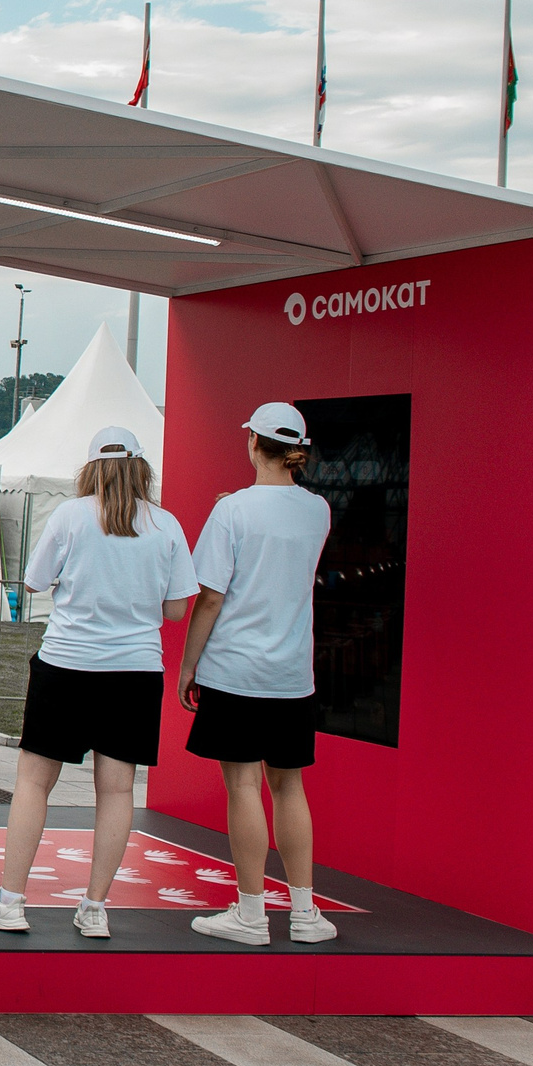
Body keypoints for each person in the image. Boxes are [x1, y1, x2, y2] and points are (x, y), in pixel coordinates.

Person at [0, 427, 197, 938]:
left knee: (33, 783)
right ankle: (94, 908)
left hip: (66, 664)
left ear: (91, 469)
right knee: (117, 790)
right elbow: (177, 610)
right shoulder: (167, 524)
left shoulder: (70, 515)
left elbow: (34, 582)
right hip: (135, 671)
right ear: (141, 468)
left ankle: (10, 900)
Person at [180, 403, 337, 947]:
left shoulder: (232, 511)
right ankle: (305, 913)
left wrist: (188, 665)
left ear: (252, 441)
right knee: (289, 787)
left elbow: (210, 597)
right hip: (293, 674)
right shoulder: (318, 510)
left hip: (236, 671)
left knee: (243, 786)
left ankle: (251, 914)